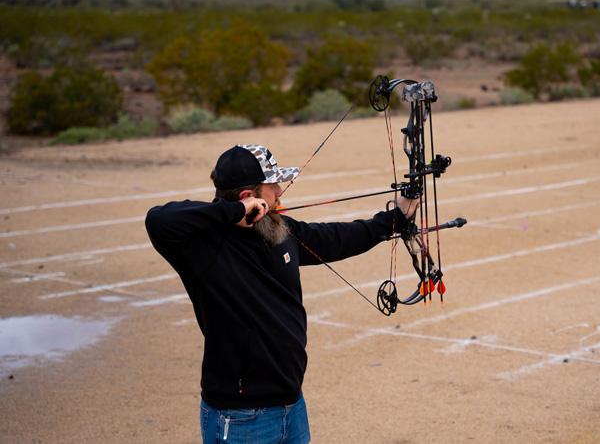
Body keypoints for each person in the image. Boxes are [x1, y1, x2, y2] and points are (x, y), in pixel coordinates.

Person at [145, 144, 418, 443]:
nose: (279, 191)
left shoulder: (277, 230)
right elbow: (158, 220)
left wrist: (396, 219)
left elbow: (335, 238)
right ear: (248, 198)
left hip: (291, 406)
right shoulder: (203, 247)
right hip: (240, 419)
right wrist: (234, 212)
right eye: (272, 185)